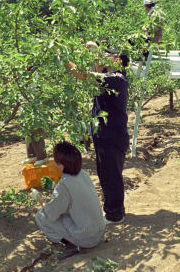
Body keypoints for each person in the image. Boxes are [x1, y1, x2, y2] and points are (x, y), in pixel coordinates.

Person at [67, 42, 130, 224]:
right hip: (105, 135)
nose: (100, 58)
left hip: (111, 136)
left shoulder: (116, 78)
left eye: (106, 54)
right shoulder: (108, 76)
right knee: (106, 174)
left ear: (117, 60)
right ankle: (112, 210)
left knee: (111, 176)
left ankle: (115, 215)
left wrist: (62, 56)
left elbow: (82, 74)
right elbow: (95, 68)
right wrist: (93, 51)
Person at [34, 141, 105, 258]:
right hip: (99, 231)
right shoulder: (83, 174)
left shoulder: (64, 185)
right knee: (65, 212)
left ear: (61, 166)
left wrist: (43, 203)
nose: (53, 164)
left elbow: (51, 214)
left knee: (41, 217)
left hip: (87, 239)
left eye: (55, 162)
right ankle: (74, 238)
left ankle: (71, 244)